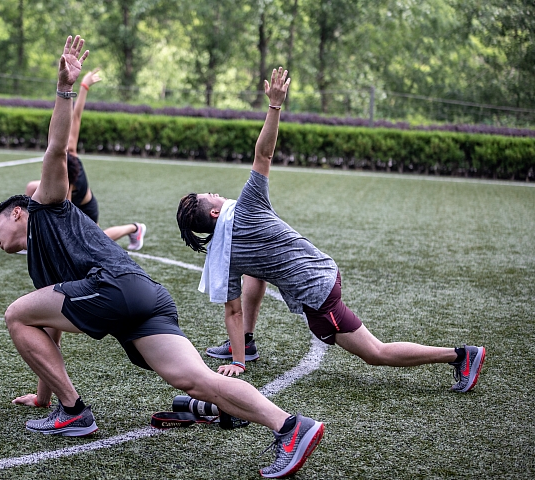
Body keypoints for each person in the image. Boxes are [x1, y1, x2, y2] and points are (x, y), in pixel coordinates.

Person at [0, 35, 324, 478]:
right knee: (197, 380)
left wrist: (65, 90)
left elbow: (56, 150)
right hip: (145, 298)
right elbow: (49, 329)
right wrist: (43, 396)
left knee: (16, 314)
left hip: (114, 288)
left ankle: (75, 413)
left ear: (17, 212)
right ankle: (291, 426)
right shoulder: (42, 263)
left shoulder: (46, 206)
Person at [176, 68, 485, 393]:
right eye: (210, 195)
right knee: (255, 272)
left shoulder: (224, 253)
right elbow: (264, 154)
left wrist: (236, 363)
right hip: (321, 271)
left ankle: (461, 356)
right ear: (214, 212)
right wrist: (275, 106)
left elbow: (232, 310)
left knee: (375, 353)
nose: (215, 192)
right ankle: (247, 345)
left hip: (318, 292)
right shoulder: (246, 208)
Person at [25, 68, 146, 251]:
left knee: (89, 243)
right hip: (70, 195)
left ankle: (135, 228)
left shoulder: (67, 184)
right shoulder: (69, 150)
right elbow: (76, 117)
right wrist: (83, 86)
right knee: (32, 187)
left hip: (85, 210)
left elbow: (64, 217)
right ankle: (28, 235)